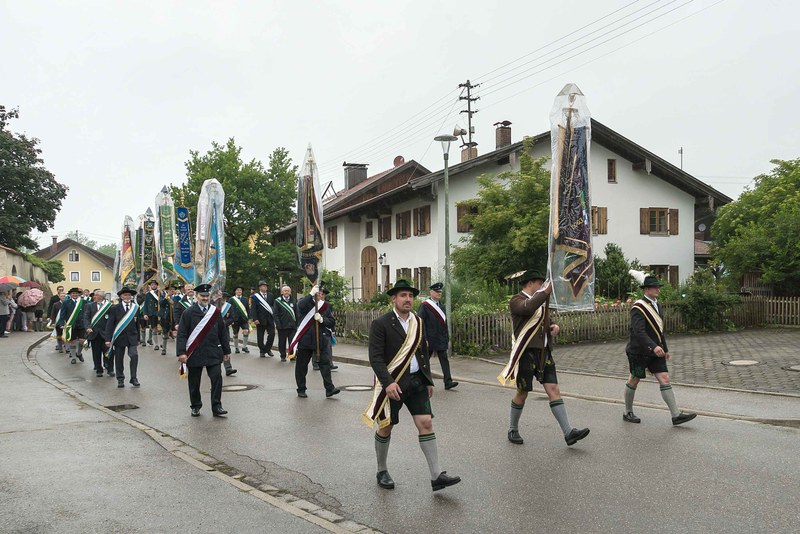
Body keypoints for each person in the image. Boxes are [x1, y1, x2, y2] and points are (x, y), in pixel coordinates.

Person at [363, 279, 461, 492]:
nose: (408, 300)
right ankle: (382, 469)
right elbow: (376, 358)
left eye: (410, 296)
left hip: (417, 381)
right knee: (386, 426)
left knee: (426, 422)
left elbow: (423, 353)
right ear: (394, 299)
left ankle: (436, 476)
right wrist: (388, 383)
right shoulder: (381, 323)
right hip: (393, 384)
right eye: (403, 296)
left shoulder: (418, 322)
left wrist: (428, 380)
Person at [500, 270, 590, 447]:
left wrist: (554, 326)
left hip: (544, 352)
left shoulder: (540, 302)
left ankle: (568, 432)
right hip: (525, 354)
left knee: (553, 389)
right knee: (523, 392)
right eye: (540, 283)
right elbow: (528, 308)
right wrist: (545, 293)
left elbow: (546, 322)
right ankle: (513, 428)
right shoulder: (517, 300)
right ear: (531, 283)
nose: (542, 286)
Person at [623, 273, 697, 426]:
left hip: (656, 351)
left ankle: (676, 415)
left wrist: (664, 347)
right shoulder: (638, 307)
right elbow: (638, 332)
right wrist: (653, 346)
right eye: (655, 287)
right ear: (646, 289)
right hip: (639, 352)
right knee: (634, 379)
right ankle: (628, 412)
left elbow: (660, 330)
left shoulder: (657, 305)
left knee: (665, 379)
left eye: (658, 287)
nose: (658, 289)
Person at [176, 283, 231, 417]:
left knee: (217, 379)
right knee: (194, 382)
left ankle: (217, 406)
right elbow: (182, 333)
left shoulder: (215, 312)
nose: (205, 298)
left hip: (213, 351)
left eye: (207, 296)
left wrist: (226, 351)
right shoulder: (188, 313)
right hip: (195, 353)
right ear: (196, 296)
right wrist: (182, 352)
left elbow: (222, 332)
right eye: (202, 296)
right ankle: (195, 406)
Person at [292, 285, 339, 398]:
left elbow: (332, 321)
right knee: (301, 366)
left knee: (325, 365)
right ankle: (301, 389)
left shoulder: (326, 306)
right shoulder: (306, 303)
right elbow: (300, 307)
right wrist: (310, 295)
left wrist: (323, 320)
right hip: (306, 339)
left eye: (323, 294)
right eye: (319, 293)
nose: (321, 295)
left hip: (321, 339)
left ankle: (329, 389)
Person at [417, 282, 458, 390]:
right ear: (431, 292)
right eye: (437, 291)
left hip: (440, 338)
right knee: (425, 360)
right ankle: (423, 380)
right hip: (429, 339)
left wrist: (447, 338)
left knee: (444, 359)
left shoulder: (442, 306)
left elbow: (444, 324)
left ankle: (448, 381)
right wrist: (423, 338)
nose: (439, 293)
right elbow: (420, 322)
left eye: (440, 292)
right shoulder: (425, 306)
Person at [104, 287, 141, 388]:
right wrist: (108, 339)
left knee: (134, 356)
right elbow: (110, 325)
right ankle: (120, 378)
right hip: (119, 337)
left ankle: (134, 378)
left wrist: (138, 338)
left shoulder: (135, 308)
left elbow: (138, 324)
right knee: (119, 359)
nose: (127, 297)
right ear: (121, 296)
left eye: (129, 295)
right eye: (125, 295)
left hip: (132, 337)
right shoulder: (114, 308)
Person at [84, 289, 112, 377]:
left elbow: (112, 319)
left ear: (100, 297)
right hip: (94, 333)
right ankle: (98, 369)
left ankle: (110, 369)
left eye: (95, 295)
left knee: (108, 352)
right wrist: (88, 327)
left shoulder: (109, 306)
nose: (93, 297)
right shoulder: (90, 306)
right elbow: (86, 318)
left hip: (106, 333)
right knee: (96, 353)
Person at [57, 287, 87, 364]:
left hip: (81, 325)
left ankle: (79, 353)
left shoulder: (84, 302)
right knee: (72, 341)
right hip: (71, 325)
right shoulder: (66, 303)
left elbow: (87, 314)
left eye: (76, 293)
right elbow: (62, 314)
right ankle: (73, 357)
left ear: (79, 294)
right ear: (70, 294)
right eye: (73, 293)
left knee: (82, 341)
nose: (75, 294)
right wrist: (61, 324)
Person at [249, 280, 276, 357]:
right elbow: (253, 309)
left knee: (272, 334)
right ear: (260, 287)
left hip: (270, 319)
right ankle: (262, 350)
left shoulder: (271, 295)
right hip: (260, 320)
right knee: (260, 337)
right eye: (263, 286)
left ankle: (267, 349)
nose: (265, 287)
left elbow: (273, 306)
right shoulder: (255, 297)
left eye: (266, 286)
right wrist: (255, 319)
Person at [217, 292, 238, 377]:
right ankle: (215, 367)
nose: (223, 299)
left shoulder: (229, 306)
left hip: (224, 330)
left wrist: (224, 323)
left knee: (226, 348)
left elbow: (232, 318)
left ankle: (228, 368)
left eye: (225, 298)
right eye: (222, 297)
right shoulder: (213, 306)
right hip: (213, 331)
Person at [274, 285, 297, 362]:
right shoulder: (277, 301)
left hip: (292, 326)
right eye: (285, 291)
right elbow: (275, 314)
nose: (286, 292)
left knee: (292, 342)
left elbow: (297, 313)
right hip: (282, 326)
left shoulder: (294, 300)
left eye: (288, 291)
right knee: (282, 342)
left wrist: (297, 323)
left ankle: (292, 356)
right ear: (282, 292)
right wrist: (278, 324)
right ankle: (283, 355)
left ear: (290, 292)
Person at [229, 286, 251, 355]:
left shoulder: (245, 299)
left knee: (246, 331)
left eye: (240, 290)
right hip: (235, 319)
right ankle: (236, 347)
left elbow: (248, 309)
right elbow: (229, 310)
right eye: (237, 290)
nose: (239, 291)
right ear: (235, 291)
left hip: (243, 319)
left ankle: (244, 347)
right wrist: (230, 320)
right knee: (235, 334)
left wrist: (249, 318)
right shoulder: (231, 299)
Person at [142, 280, 161, 350]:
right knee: (154, 329)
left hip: (159, 313)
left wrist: (161, 293)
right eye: (152, 285)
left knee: (161, 329)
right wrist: (145, 314)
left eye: (154, 284)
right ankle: (156, 344)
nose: (153, 286)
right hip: (151, 313)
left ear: (156, 285)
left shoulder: (160, 293)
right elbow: (145, 305)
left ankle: (162, 344)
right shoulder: (148, 294)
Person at [158, 284, 176, 356]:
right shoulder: (163, 296)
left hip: (174, 317)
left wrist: (174, 303)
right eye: (170, 289)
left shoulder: (177, 297)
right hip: (165, 317)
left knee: (176, 334)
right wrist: (166, 297)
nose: (172, 291)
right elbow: (161, 303)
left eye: (173, 289)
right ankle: (164, 349)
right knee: (165, 333)